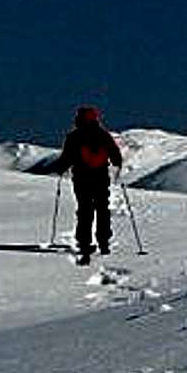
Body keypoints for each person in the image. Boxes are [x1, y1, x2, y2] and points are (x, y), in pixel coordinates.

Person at [56, 105, 123, 264]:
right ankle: (104, 242)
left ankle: (84, 243)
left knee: (85, 209)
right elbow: (116, 156)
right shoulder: (103, 136)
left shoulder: (74, 137)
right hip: (100, 178)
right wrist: (116, 163)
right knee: (102, 209)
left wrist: (60, 169)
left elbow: (67, 158)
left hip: (81, 179)